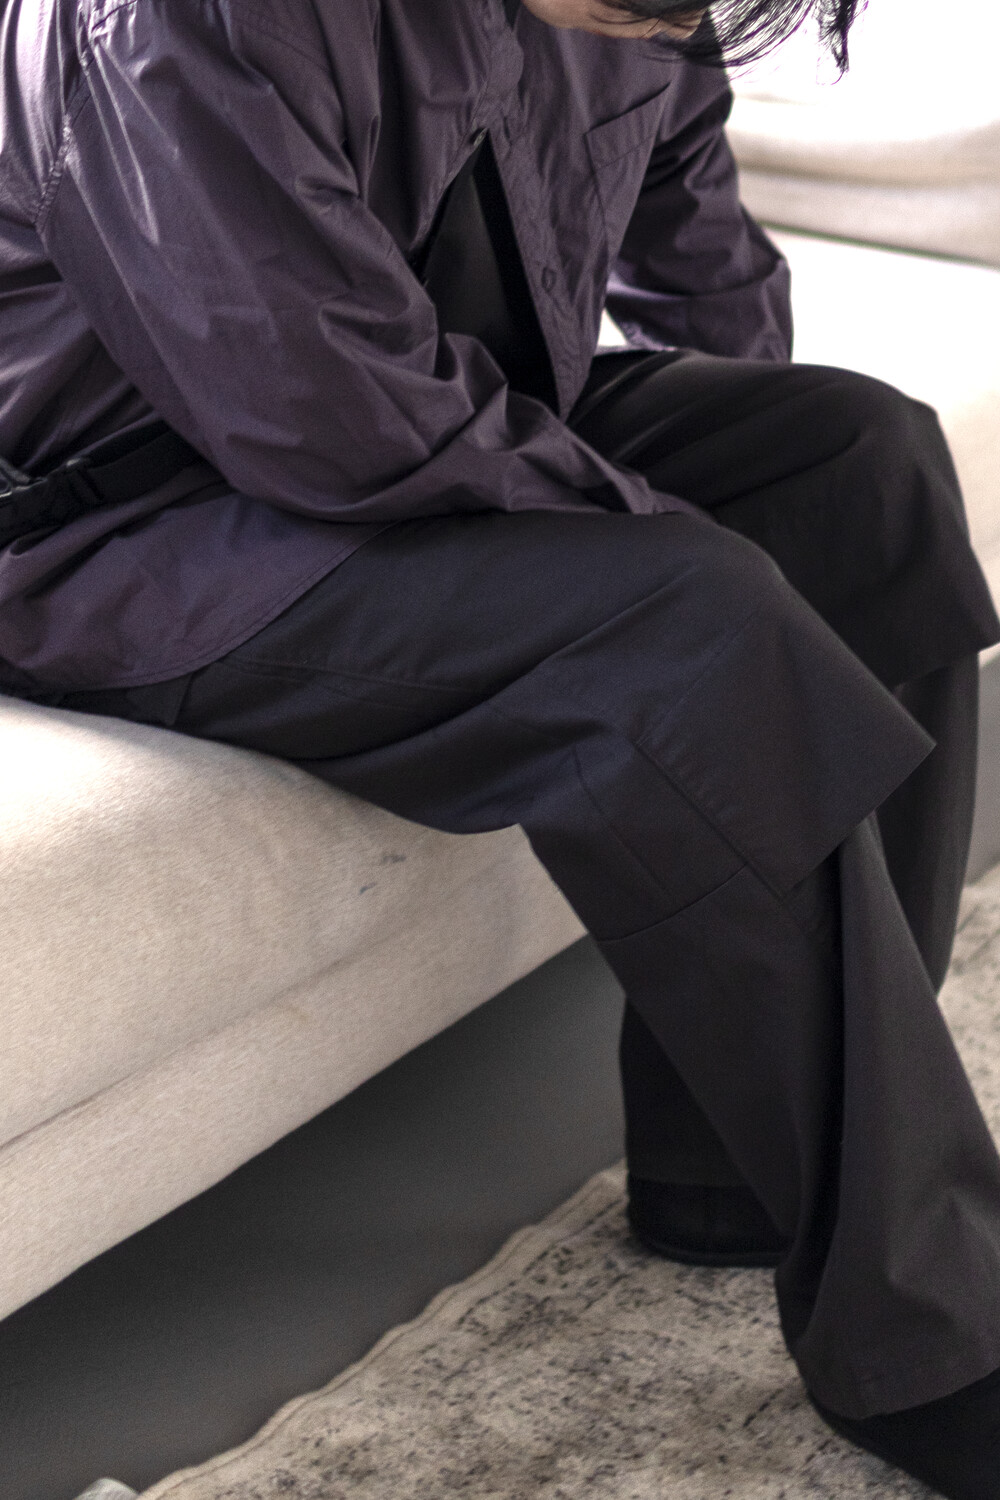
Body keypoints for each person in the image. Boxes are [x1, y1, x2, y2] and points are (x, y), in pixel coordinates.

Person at [2, 0, 1000, 1492]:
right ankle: (939, 1350)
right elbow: (328, 411)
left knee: (862, 466)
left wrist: (759, 516)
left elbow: (698, 262)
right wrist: (679, 547)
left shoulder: (641, 6)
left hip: (434, 422)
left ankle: (740, 1176)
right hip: (135, 522)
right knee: (690, 613)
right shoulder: (179, 20)